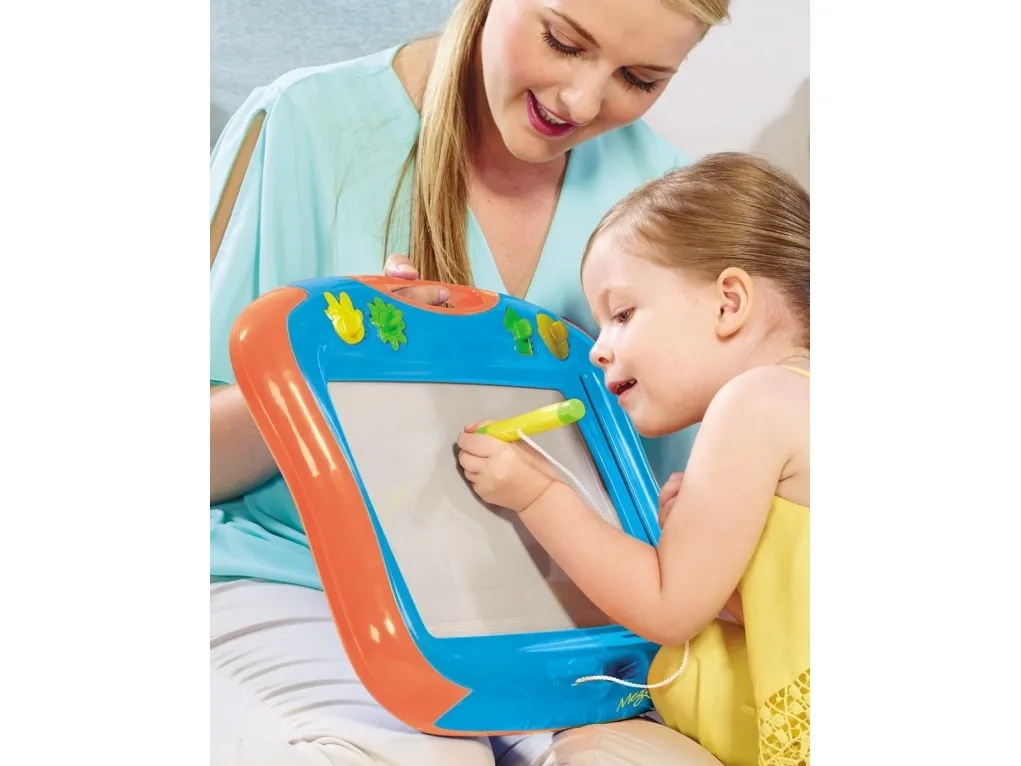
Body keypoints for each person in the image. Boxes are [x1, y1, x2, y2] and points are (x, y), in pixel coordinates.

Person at [210, 0, 732, 763]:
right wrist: (335, 370)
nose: (581, 100)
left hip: (553, 621)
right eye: (562, 41)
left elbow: (675, 497)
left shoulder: (664, 195)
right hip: (296, 580)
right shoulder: (308, 125)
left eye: (639, 79)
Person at [457, 152, 810, 766]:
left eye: (622, 314)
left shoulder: (754, 400)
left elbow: (667, 610)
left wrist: (537, 494)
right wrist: (728, 576)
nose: (599, 349)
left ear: (729, 302)